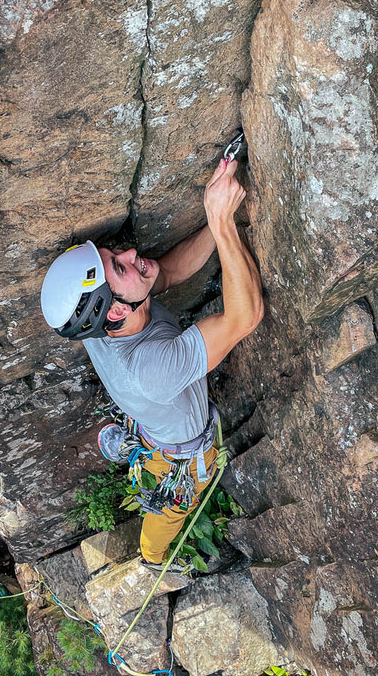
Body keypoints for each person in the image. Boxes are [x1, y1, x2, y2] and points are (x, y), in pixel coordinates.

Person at [41, 152, 263, 572]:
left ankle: (135, 448)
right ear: (114, 313)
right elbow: (244, 316)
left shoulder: (114, 312)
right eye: (119, 267)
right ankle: (153, 559)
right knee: (172, 508)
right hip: (183, 451)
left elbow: (172, 272)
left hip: (152, 417)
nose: (131, 254)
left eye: (116, 255)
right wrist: (221, 223)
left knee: (154, 444)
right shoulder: (150, 368)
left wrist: (214, 210)